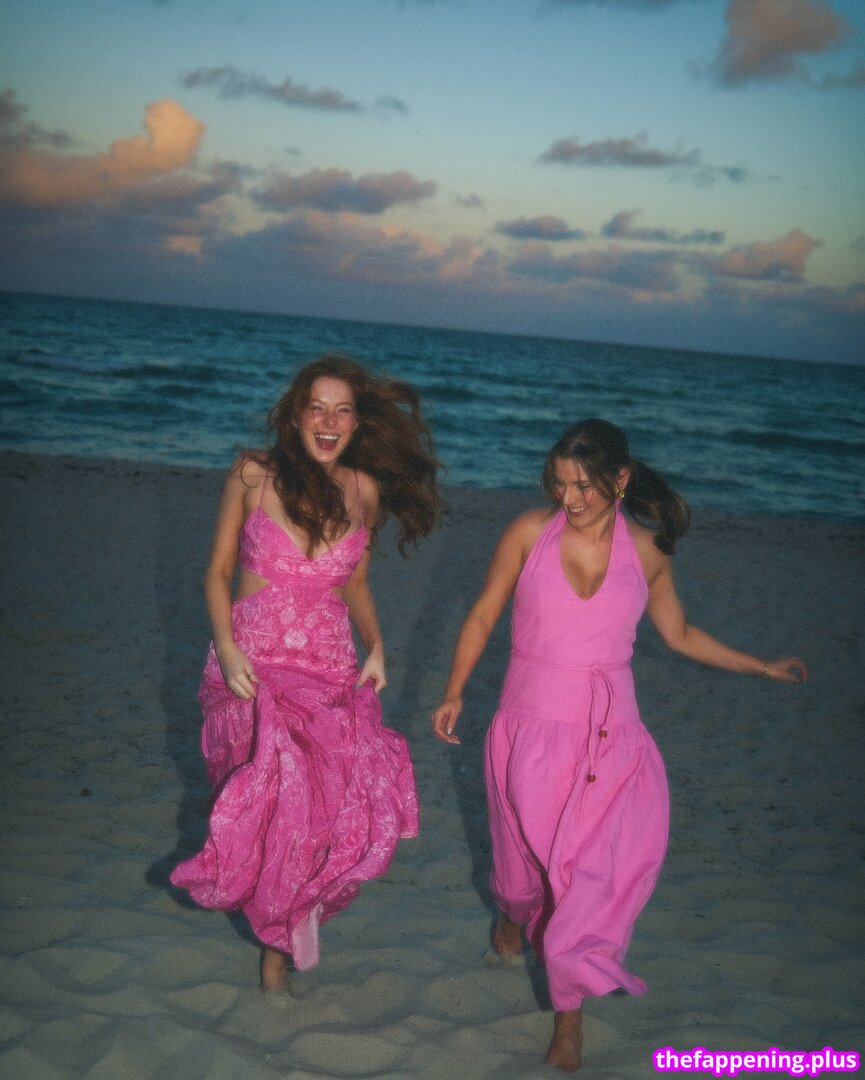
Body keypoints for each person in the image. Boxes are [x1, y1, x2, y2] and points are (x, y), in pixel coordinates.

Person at [432, 418, 806, 1072]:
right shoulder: (528, 533)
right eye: (559, 483)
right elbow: (485, 612)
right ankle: (511, 918)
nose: (570, 498)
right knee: (522, 879)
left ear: (621, 480)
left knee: (580, 882)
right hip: (529, 728)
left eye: (584, 485)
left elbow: (679, 632)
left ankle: (568, 1020)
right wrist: (455, 690)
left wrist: (759, 666)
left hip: (609, 739)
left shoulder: (649, 552)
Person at [171, 354, 441, 992]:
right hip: (254, 667)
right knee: (271, 804)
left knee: (320, 813)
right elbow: (216, 572)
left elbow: (357, 587)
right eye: (317, 408)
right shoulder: (253, 474)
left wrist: (377, 646)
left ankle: (279, 942)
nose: (329, 421)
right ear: (296, 415)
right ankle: (275, 933)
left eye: (342, 411)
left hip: (328, 667)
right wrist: (227, 648)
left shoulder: (364, 491)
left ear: (356, 422)